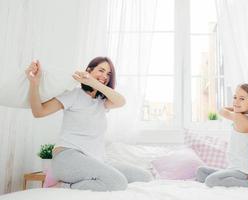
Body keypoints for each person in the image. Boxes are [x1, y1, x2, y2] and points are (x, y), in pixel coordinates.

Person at [25, 57, 153, 191]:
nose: (104, 76)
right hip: (68, 157)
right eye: (101, 70)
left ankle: (89, 180)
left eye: (108, 74)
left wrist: (94, 82)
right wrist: (34, 83)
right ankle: (62, 186)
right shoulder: (73, 95)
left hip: (96, 160)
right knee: (118, 182)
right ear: (89, 70)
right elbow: (38, 112)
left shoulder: (102, 102)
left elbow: (121, 101)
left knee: (145, 176)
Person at [196, 83, 248, 187]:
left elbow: (221, 111)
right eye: (235, 97)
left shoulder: (241, 119)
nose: (236, 101)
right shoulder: (246, 116)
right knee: (201, 171)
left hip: (242, 170)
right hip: (233, 167)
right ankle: (229, 178)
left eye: (241, 99)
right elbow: (233, 110)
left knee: (210, 181)